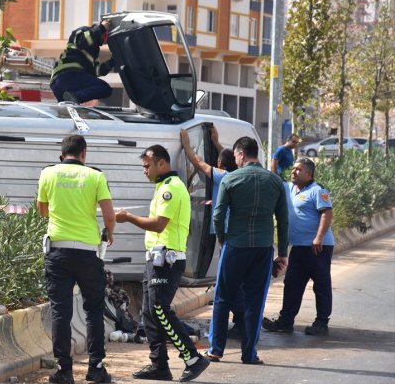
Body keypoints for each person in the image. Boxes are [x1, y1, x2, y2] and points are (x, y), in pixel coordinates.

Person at [115, 145, 210, 382]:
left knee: (159, 309)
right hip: (156, 260)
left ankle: (193, 357)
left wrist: (127, 218)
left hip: (167, 260)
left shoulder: (171, 189)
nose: (144, 171)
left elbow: (158, 224)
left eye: (147, 166)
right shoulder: (162, 187)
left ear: (161, 163)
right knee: (149, 314)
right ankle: (159, 366)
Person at [37, 135, 116, 384]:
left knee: (61, 310)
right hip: (87, 253)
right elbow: (109, 214)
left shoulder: (48, 174)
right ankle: (96, 368)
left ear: (62, 154)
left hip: (58, 251)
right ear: (84, 153)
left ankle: (64, 371)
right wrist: (108, 234)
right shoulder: (95, 176)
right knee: (93, 308)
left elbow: (42, 209)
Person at [207, 136, 289, 365]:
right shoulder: (275, 181)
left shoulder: (230, 179)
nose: (235, 159)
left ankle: (215, 350)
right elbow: (283, 221)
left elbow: (218, 215)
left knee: (222, 298)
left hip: (235, 246)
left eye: (235, 155)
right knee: (255, 302)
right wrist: (283, 253)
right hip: (263, 249)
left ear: (241, 154)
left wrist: (223, 241)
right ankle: (249, 354)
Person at [179, 127, 244, 339]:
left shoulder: (222, 176)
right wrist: (216, 143)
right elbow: (224, 159)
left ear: (219, 164)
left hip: (225, 236)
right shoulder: (235, 174)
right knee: (234, 278)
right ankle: (241, 318)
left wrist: (187, 145)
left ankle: (238, 319)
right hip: (236, 234)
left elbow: (199, 163)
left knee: (229, 279)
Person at [262, 158, 334, 336]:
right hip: (299, 248)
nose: (293, 172)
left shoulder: (317, 191)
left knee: (321, 285)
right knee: (292, 283)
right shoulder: (289, 188)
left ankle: (321, 323)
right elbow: (276, 179)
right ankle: (285, 321)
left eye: (298, 170)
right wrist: (273, 163)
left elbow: (327, 213)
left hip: (318, 247)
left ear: (309, 174)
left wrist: (319, 237)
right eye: (293, 169)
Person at [50, 20, 114, 104]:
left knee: (68, 111)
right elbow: (81, 42)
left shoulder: (94, 50)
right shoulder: (83, 30)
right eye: (106, 36)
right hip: (68, 75)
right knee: (104, 88)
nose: (105, 42)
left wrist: (113, 61)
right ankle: (76, 97)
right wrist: (101, 28)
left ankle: (73, 99)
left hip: (57, 83)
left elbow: (96, 71)